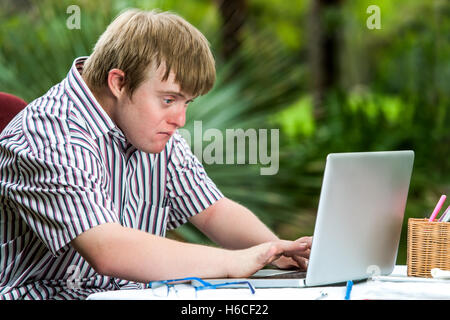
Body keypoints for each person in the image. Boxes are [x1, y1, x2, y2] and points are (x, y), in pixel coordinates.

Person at [0, 9, 311, 300]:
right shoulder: (49, 135)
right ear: (119, 82)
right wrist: (234, 261)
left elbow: (213, 211)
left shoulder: (147, 128)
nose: (180, 119)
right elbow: (108, 250)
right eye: (169, 100)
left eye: (186, 103)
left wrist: (278, 252)